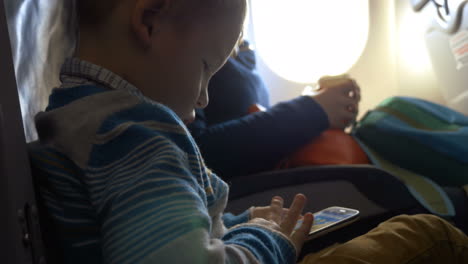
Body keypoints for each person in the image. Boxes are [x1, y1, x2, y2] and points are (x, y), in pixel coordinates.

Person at [29, 0, 468, 263]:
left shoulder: (70, 115)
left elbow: (159, 226)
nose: (202, 100)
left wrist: (238, 226)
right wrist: (269, 238)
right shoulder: (135, 135)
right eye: (205, 70)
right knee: (427, 235)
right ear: (149, 19)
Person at [189, 42, 362, 178]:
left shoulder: (242, 53)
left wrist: (317, 100)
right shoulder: (189, 46)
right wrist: (312, 110)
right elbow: (191, 153)